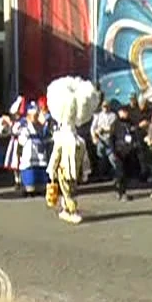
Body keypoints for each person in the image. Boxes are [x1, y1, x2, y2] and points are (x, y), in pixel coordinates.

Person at [44, 77, 101, 225]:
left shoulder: (77, 140)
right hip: (64, 169)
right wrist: (51, 169)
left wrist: (86, 169)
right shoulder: (62, 138)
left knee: (71, 189)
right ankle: (71, 210)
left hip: (74, 169)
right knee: (68, 190)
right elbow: (56, 154)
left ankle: (66, 209)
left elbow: (84, 156)